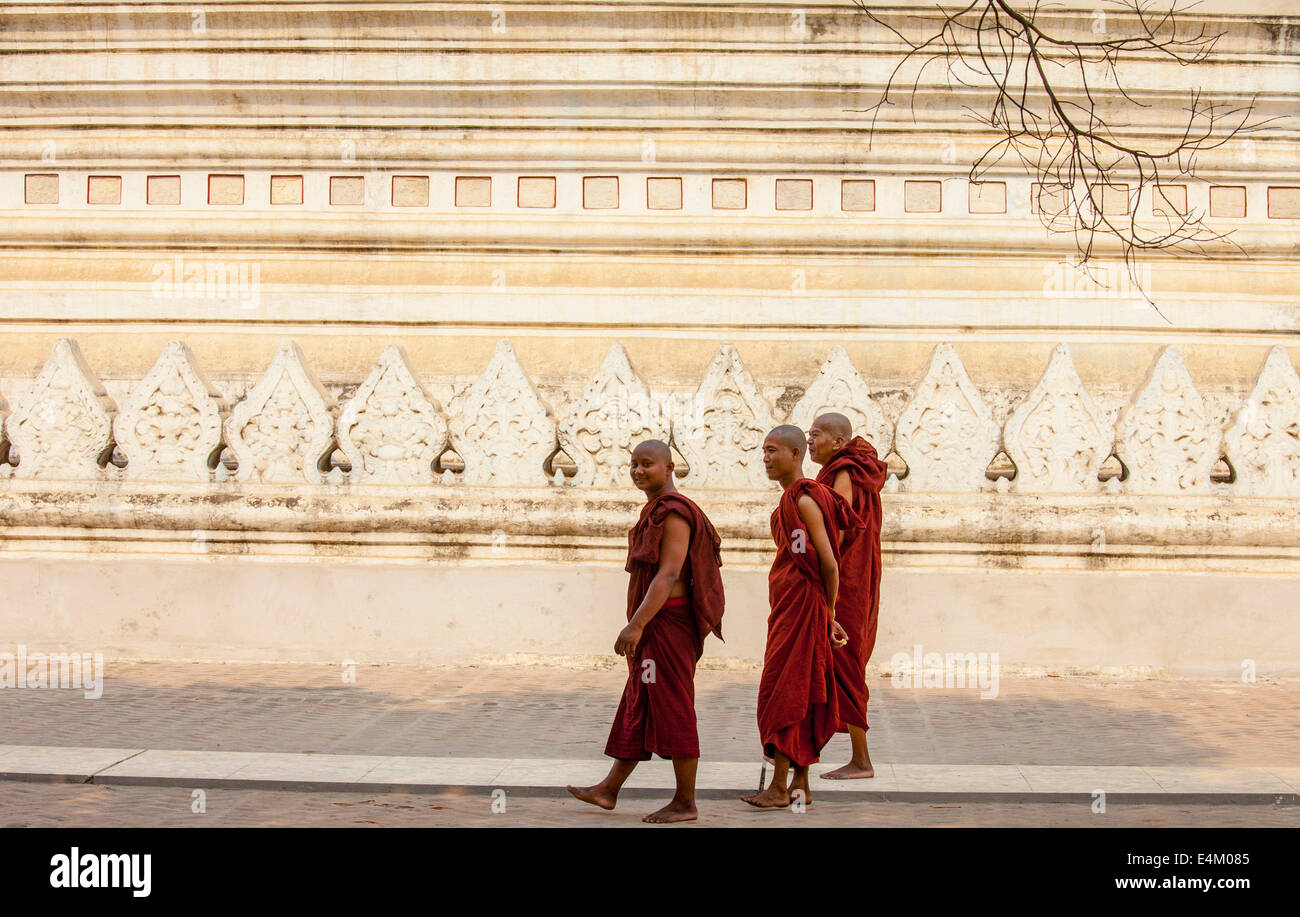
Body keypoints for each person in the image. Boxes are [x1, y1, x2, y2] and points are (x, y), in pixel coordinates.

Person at [566, 439, 725, 823]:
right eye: (633, 464)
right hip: (656, 625)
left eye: (647, 464)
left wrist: (636, 624)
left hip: (666, 625)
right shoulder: (654, 510)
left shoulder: (674, 514)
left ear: (670, 468)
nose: (638, 471)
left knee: (673, 707)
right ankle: (608, 790)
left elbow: (669, 573)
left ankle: (685, 803)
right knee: (640, 702)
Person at [741, 425, 860, 809]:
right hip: (790, 608)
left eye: (774, 451)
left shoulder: (805, 500)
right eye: (763, 452)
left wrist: (828, 612)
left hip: (805, 609)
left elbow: (829, 563)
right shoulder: (786, 505)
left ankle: (780, 787)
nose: (766, 459)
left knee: (787, 692)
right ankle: (799, 787)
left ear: (796, 455)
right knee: (802, 691)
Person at [808, 413, 888, 780]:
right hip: (859, 577)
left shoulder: (844, 472)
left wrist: (822, 578)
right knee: (839, 662)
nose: (810, 440)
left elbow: (835, 528)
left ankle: (861, 760)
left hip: (846, 580)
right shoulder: (852, 469)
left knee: (844, 661)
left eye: (816, 434)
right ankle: (806, 750)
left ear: (839, 442)